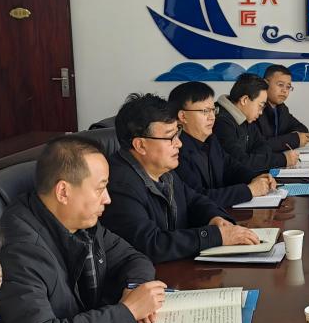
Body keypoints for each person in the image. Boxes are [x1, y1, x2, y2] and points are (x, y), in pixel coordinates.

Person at [0, 135, 166, 323]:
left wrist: (134, 290)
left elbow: (133, 258)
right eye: (100, 189)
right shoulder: (20, 249)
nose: (107, 199)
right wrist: (128, 312)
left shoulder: (80, 222)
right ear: (63, 192)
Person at [101, 93, 259, 263]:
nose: (179, 143)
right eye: (170, 137)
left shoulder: (164, 171)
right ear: (140, 145)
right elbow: (151, 245)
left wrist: (216, 219)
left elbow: (195, 200)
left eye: (178, 134)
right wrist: (215, 235)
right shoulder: (119, 186)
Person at [168, 81, 277, 207]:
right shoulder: (176, 151)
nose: (212, 117)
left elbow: (231, 167)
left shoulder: (211, 139)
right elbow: (197, 198)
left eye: (213, 110)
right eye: (205, 111)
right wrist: (249, 190)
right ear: (183, 116)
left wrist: (256, 178)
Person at [214, 74, 299, 174]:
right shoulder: (221, 122)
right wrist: (283, 160)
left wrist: (253, 159)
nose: (261, 112)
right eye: (260, 105)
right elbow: (240, 162)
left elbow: (263, 145)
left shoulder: (245, 117)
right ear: (245, 100)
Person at [257, 64, 309, 151]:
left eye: (288, 87)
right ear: (265, 84)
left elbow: (302, 128)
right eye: (280, 85)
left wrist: (293, 137)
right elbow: (259, 145)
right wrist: (293, 139)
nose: (284, 90)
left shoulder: (282, 108)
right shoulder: (256, 109)